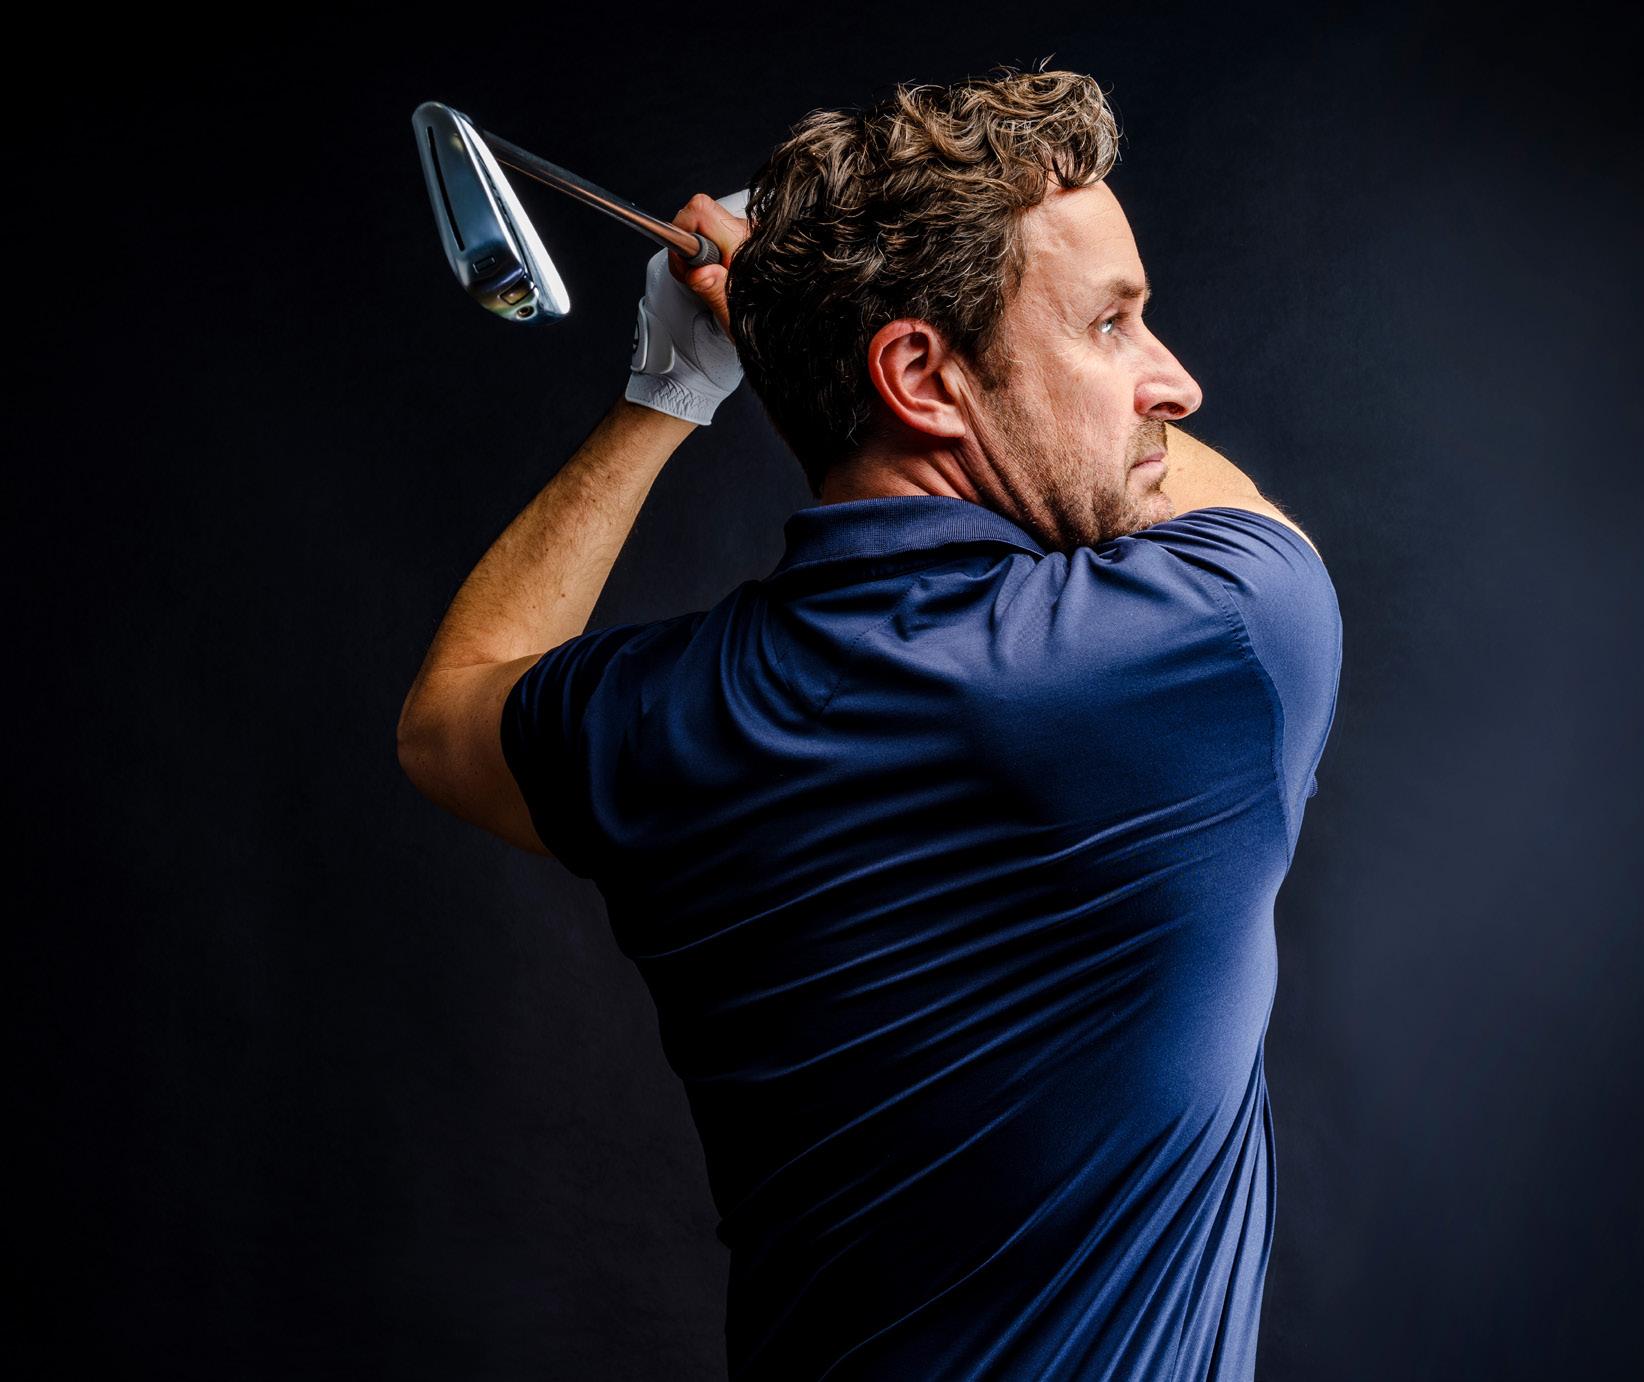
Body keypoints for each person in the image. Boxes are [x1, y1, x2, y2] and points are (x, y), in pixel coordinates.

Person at [398, 62, 1342, 1381]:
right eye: (1112, 325)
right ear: (919, 376)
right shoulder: (1218, 642)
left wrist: (668, 389)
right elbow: (1223, 517)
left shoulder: (672, 718)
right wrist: (814, 314)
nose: (1171, 380)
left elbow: (446, 715)